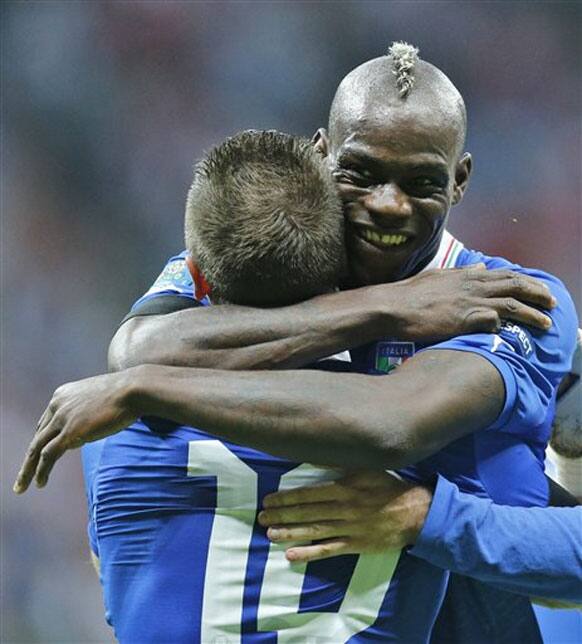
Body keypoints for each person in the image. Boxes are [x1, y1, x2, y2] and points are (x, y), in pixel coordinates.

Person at [15, 43, 579, 643]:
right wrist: (388, 308)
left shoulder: (508, 303)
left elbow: (393, 422)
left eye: (420, 181)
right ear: (322, 152)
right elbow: (138, 350)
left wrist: (425, 514)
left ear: (460, 178)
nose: (388, 204)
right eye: (361, 173)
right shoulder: (241, 269)